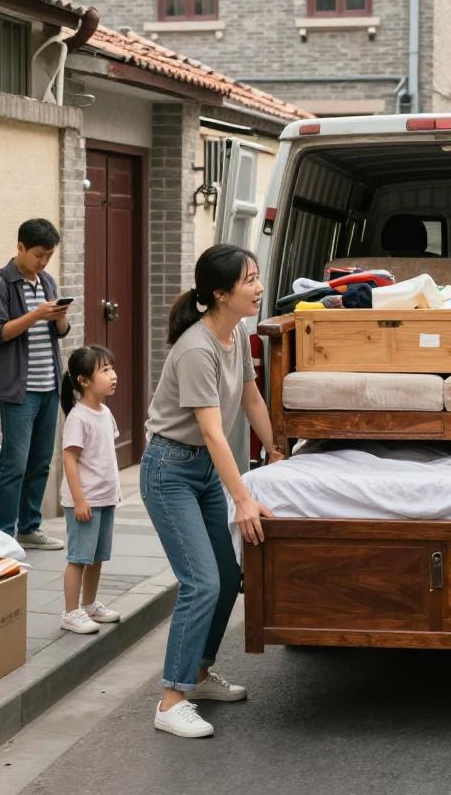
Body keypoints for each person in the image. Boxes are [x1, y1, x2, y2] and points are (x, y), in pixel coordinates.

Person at [142, 244, 279, 739]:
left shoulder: (236, 332)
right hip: (170, 470)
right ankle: (171, 700)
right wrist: (242, 497)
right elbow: (215, 431)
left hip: (200, 470)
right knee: (201, 582)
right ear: (221, 294)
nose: (258, 288)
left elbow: (250, 395)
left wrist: (278, 450)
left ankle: (198, 674)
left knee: (226, 572)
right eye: (249, 280)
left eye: (257, 277)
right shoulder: (197, 348)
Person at [0, 218, 70, 549]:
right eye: (38, 254)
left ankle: (30, 528)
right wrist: (35, 315)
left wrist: (60, 318)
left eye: (48, 255)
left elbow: (59, 333)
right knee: (13, 464)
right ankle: (2, 535)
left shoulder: (47, 282)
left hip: (50, 387)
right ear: (19, 247)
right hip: (19, 389)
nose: (43, 261)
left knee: (41, 461)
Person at [59, 345, 123, 635]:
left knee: (97, 556)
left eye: (112, 368)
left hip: (104, 498)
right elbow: (69, 459)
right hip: (84, 501)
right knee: (79, 557)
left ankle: (90, 604)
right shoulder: (78, 417)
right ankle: (71, 612)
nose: (113, 375)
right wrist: (79, 499)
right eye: (105, 370)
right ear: (83, 380)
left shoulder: (105, 412)